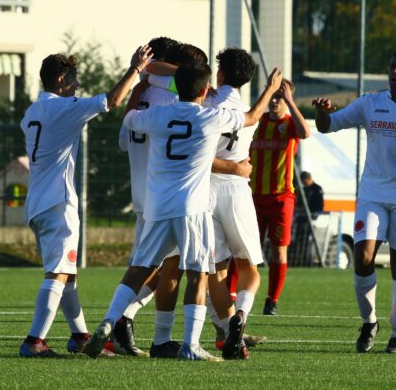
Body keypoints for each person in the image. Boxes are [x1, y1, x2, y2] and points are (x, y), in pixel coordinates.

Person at [84, 62, 283, 361]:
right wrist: (270, 88)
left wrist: (138, 89)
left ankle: (108, 321)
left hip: (158, 206)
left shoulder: (159, 115)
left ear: (177, 87)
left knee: (140, 269)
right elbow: (253, 116)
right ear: (205, 90)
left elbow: (129, 119)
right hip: (193, 208)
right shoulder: (211, 117)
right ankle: (191, 345)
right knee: (198, 273)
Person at [18, 45, 153, 357]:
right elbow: (113, 100)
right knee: (57, 273)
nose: (77, 84)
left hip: (37, 203)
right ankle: (33, 342)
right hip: (57, 203)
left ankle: (80, 336)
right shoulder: (63, 108)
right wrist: (135, 70)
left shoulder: (32, 111)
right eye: (74, 77)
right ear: (62, 78)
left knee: (67, 273)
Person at [312, 49, 396, 354]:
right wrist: (322, 112)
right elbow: (327, 125)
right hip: (372, 194)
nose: (395, 72)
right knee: (363, 257)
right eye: (392, 66)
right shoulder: (370, 103)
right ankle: (369, 322)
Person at [112, 36, 182, 357]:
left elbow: (124, 143)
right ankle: (123, 319)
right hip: (163, 197)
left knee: (149, 265)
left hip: (141, 194)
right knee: (170, 267)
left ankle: (123, 322)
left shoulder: (138, 94)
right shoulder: (171, 97)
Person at [201, 47, 264, 359]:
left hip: (207, 192)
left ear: (220, 73)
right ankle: (240, 316)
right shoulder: (249, 112)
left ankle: (229, 335)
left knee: (216, 272)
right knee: (250, 271)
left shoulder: (206, 104)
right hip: (237, 191)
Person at [246, 79, 310, 316]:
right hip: (252, 196)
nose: (275, 101)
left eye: (280, 97)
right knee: (244, 249)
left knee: (278, 250)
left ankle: (271, 301)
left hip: (281, 198)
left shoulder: (290, 124)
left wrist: (291, 101)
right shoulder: (256, 122)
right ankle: (232, 295)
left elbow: (306, 132)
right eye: (273, 96)